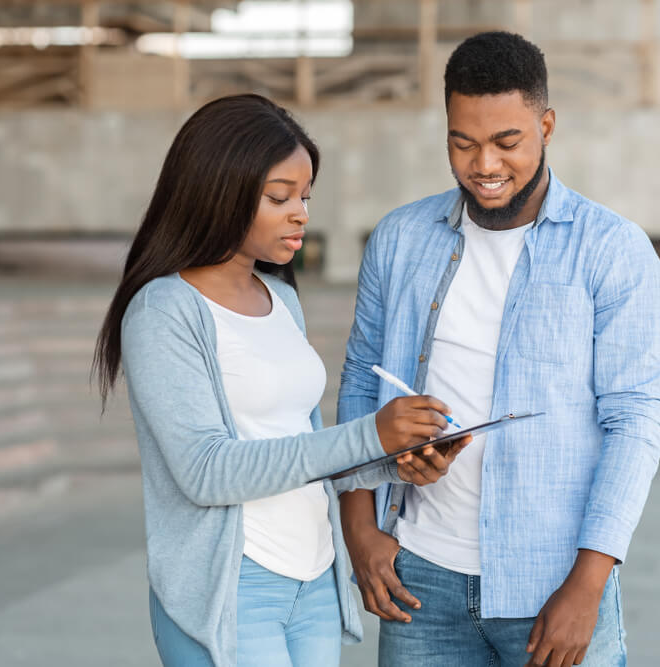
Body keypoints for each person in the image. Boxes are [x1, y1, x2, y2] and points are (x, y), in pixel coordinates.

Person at [92, 94, 469, 667]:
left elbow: (302, 439)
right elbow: (205, 472)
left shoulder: (282, 299)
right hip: (234, 588)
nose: (300, 213)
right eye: (279, 197)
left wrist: (396, 459)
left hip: (315, 579)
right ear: (220, 189)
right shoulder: (164, 310)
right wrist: (370, 435)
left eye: (305, 196)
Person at [338, 32, 660, 667]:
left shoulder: (612, 251)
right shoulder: (400, 239)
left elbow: (636, 420)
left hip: (553, 584)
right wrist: (359, 527)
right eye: (462, 143)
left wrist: (588, 585)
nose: (484, 165)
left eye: (506, 142)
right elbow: (360, 381)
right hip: (419, 579)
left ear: (546, 126)